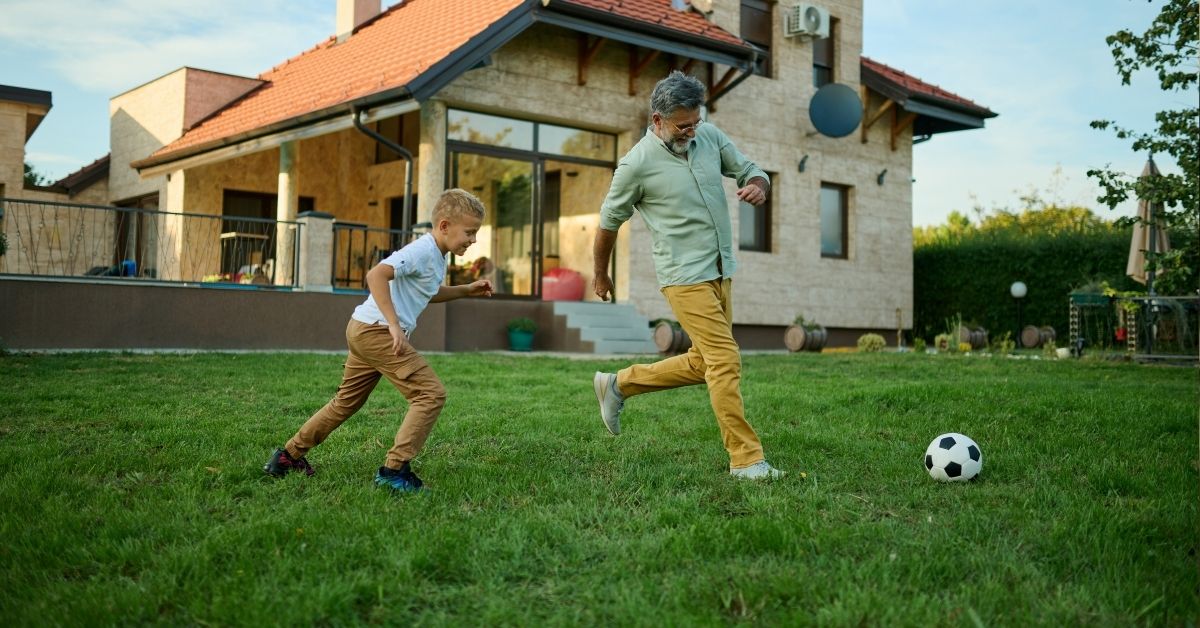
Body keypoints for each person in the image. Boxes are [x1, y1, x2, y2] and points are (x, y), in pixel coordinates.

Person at [591, 71, 783, 480]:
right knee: (724, 360)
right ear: (658, 120)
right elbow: (608, 223)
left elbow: (751, 169)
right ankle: (746, 460)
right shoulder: (636, 164)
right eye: (683, 125)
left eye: (696, 121)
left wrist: (758, 186)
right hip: (683, 277)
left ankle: (619, 384)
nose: (692, 131)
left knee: (703, 362)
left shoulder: (708, 136)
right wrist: (600, 275)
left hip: (721, 269)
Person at [263, 188, 493, 492]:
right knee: (430, 394)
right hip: (377, 331)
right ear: (445, 226)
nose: (473, 240)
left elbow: (427, 291)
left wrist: (465, 289)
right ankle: (393, 470)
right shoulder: (422, 250)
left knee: (345, 402)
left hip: (363, 328)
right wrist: (394, 325)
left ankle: (287, 457)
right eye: (470, 232)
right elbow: (376, 275)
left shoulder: (436, 257)